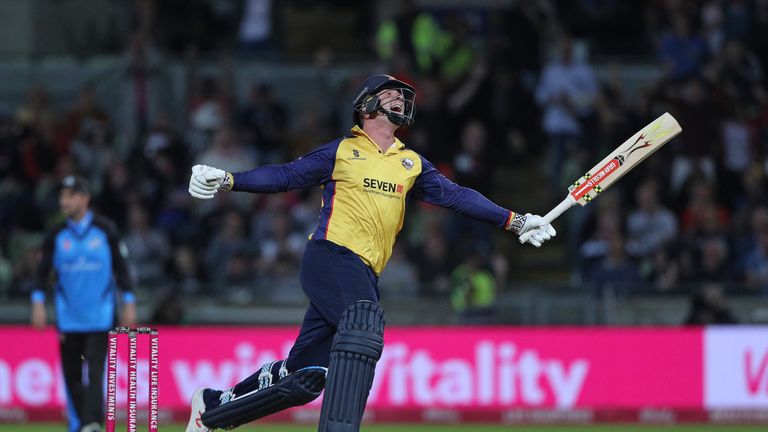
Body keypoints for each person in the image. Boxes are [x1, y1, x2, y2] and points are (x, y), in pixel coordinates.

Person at [185, 74, 556, 432]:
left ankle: (215, 407)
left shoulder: (409, 162)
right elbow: (285, 176)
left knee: (303, 376)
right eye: (391, 93)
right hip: (330, 257)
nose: (400, 99)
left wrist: (516, 221)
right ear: (366, 105)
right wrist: (231, 180)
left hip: (362, 274)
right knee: (364, 327)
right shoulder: (343, 150)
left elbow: (457, 196)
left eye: (403, 95)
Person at [30, 175, 136, 432]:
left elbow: (122, 269)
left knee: (96, 372)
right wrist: (38, 304)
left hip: (101, 314)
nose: (64, 201)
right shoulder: (56, 234)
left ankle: (91, 423)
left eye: (70, 195)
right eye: (62, 196)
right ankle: (79, 422)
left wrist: (129, 303)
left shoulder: (105, 230)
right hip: (68, 316)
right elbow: (42, 272)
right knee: (72, 375)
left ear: (85, 199)